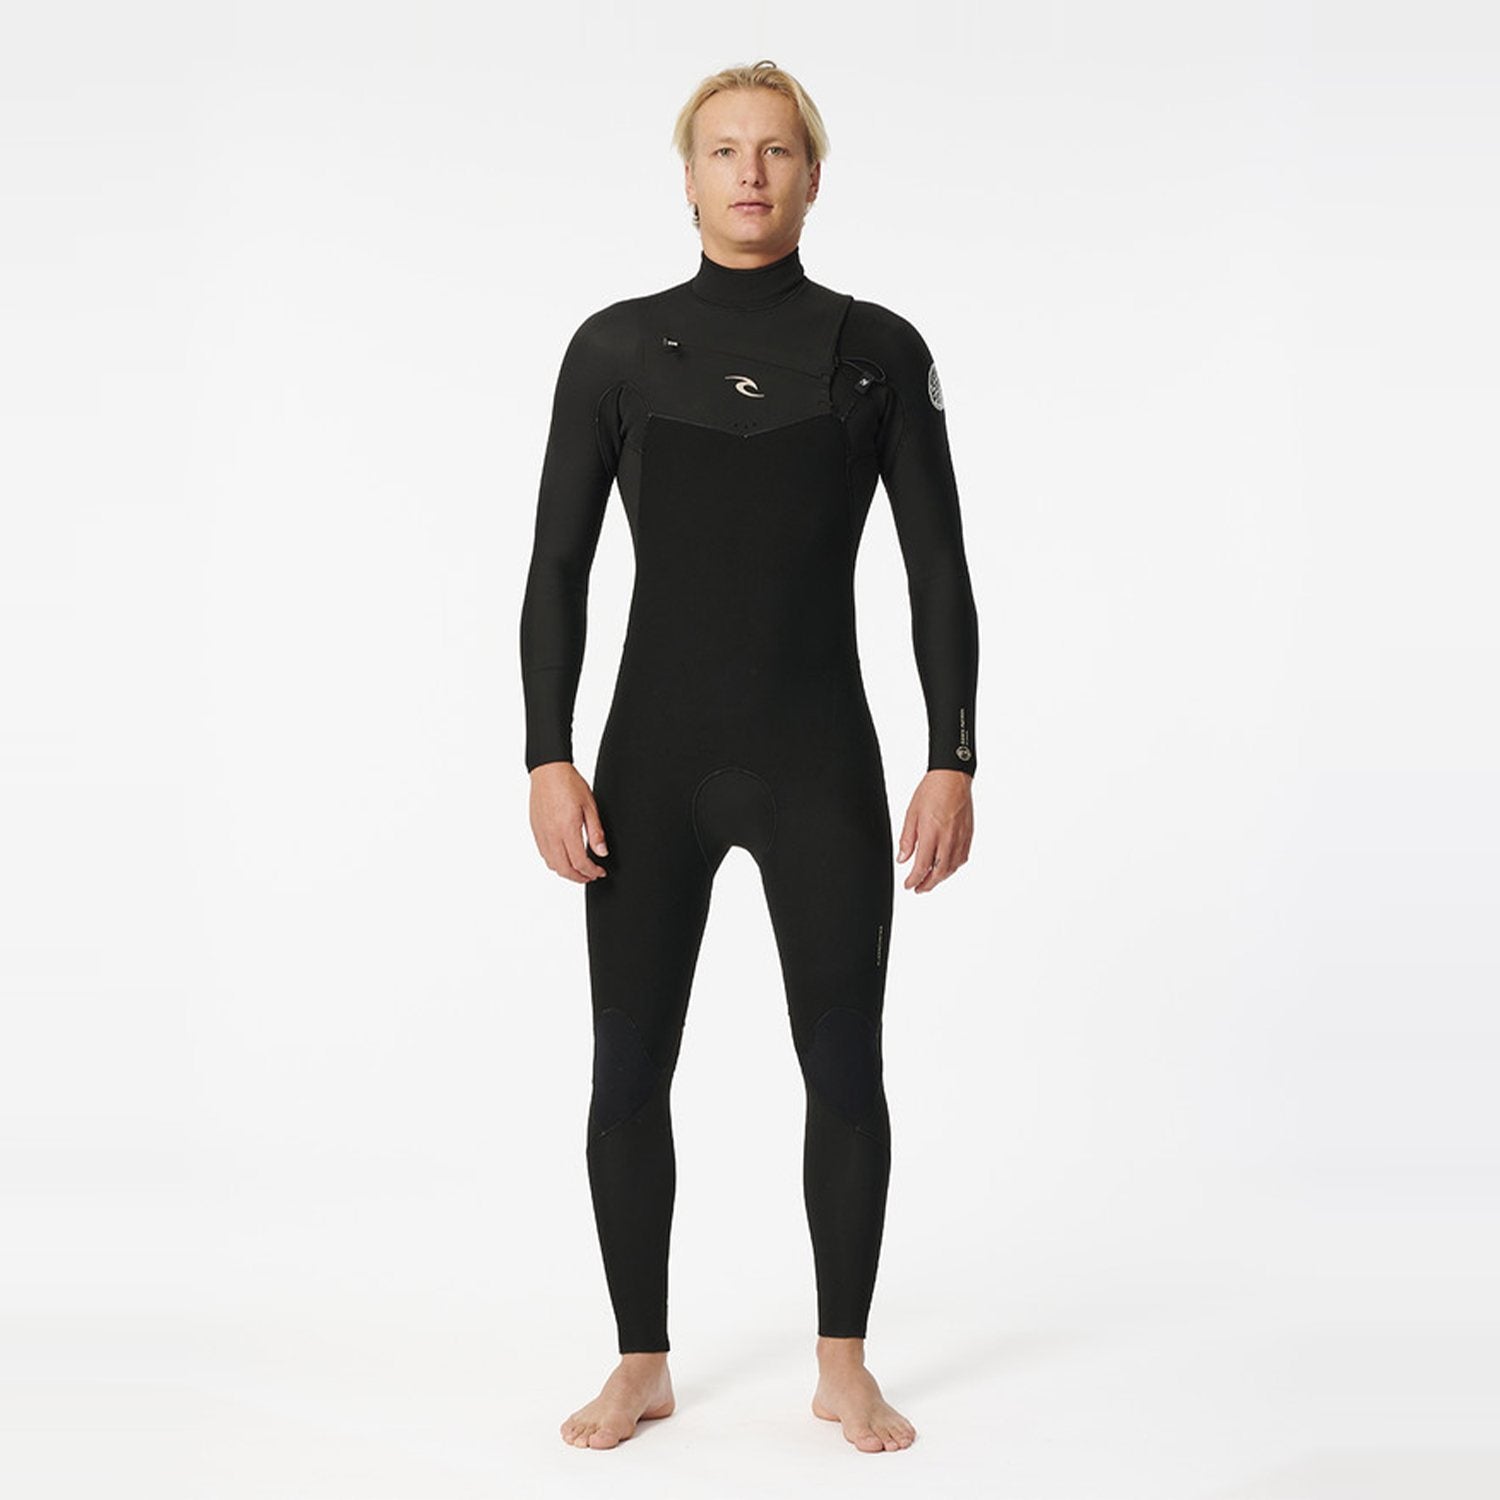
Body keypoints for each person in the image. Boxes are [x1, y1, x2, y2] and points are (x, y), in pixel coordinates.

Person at [520, 59, 979, 1453]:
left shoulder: (877, 349)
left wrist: (953, 754)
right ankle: (641, 1361)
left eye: (776, 151)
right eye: (725, 150)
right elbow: (556, 570)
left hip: (816, 758)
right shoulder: (615, 349)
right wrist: (546, 755)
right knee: (627, 1066)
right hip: (648, 762)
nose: (751, 174)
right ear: (689, 176)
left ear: (813, 175)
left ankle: (843, 1363)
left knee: (844, 1063)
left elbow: (939, 571)